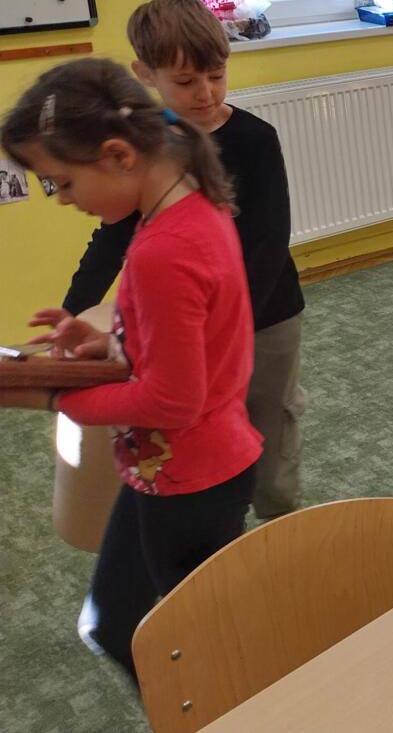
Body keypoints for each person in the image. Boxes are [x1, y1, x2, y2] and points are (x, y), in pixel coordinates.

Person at [0, 58, 260, 682]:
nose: (64, 200)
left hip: (191, 479)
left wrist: (55, 398)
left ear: (118, 155)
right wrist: (108, 342)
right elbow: (187, 344)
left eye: (62, 182)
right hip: (181, 469)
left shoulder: (163, 250)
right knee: (113, 623)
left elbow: (173, 400)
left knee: (195, 642)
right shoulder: (189, 208)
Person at [61, 0, 305, 520]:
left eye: (216, 76)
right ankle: (223, 535)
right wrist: (72, 309)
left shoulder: (256, 140)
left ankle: (280, 525)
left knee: (270, 430)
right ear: (145, 75)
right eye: (187, 81)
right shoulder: (142, 147)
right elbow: (112, 236)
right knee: (200, 442)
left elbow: (269, 243)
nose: (207, 93)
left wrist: (229, 327)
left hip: (265, 320)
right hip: (181, 327)